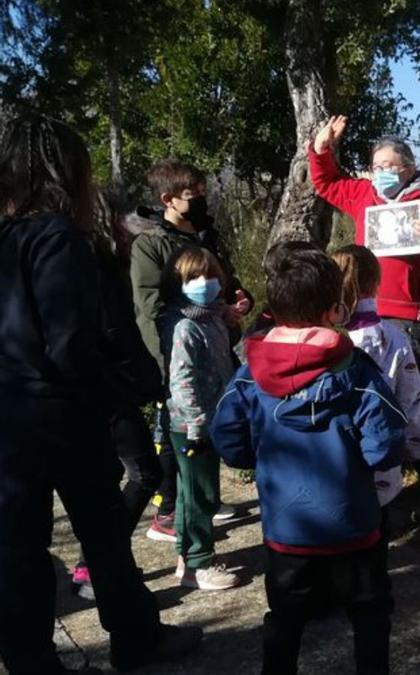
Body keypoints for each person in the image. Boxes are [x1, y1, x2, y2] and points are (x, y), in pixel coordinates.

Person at [0, 113, 201, 674]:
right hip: (60, 417)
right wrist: (122, 394)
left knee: (19, 550)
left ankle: (31, 660)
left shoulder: (6, 237)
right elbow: (71, 348)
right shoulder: (58, 238)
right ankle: (136, 640)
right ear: (66, 172)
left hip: (9, 418)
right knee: (104, 535)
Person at [210, 246, 412, 675]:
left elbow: (226, 435)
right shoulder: (357, 371)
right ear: (335, 309)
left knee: (285, 618)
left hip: (286, 528)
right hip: (353, 525)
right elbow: (385, 445)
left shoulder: (250, 371)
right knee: (369, 614)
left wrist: (258, 457)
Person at [309, 114, 420, 524]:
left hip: (407, 319)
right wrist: (322, 147)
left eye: (390, 167)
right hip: (361, 318)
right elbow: (326, 183)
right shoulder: (363, 196)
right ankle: (375, 486)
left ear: (410, 168)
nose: (381, 174)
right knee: (367, 403)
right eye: (376, 167)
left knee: (410, 403)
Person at [130, 158, 252, 543]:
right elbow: (150, 307)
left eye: (202, 192)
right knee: (177, 431)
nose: (200, 200)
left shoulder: (206, 236)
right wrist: (165, 363)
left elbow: (225, 280)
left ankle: (202, 501)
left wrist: (236, 301)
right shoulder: (151, 246)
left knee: (211, 424)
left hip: (216, 346)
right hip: (176, 355)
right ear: (167, 199)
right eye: (191, 195)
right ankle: (169, 512)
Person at [71, 192, 165, 600]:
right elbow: (115, 332)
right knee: (143, 474)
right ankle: (95, 567)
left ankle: (99, 565)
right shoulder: (93, 264)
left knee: (120, 480)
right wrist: (143, 376)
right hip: (105, 391)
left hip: (99, 390)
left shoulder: (85, 260)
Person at [160, 248, 240, 590]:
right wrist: (195, 425)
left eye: (210, 275)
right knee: (199, 493)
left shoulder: (212, 318)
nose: (204, 283)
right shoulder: (183, 326)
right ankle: (198, 563)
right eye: (193, 277)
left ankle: (187, 556)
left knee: (191, 490)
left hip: (210, 419)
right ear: (178, 283)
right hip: (190, 424)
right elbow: (181, 382)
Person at [332, 244, 420, 514]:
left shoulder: (328, 338)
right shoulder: (395, 338)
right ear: (377, 283)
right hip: (383, 463)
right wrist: (415, 445)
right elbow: (412, 397)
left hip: (335, 461)